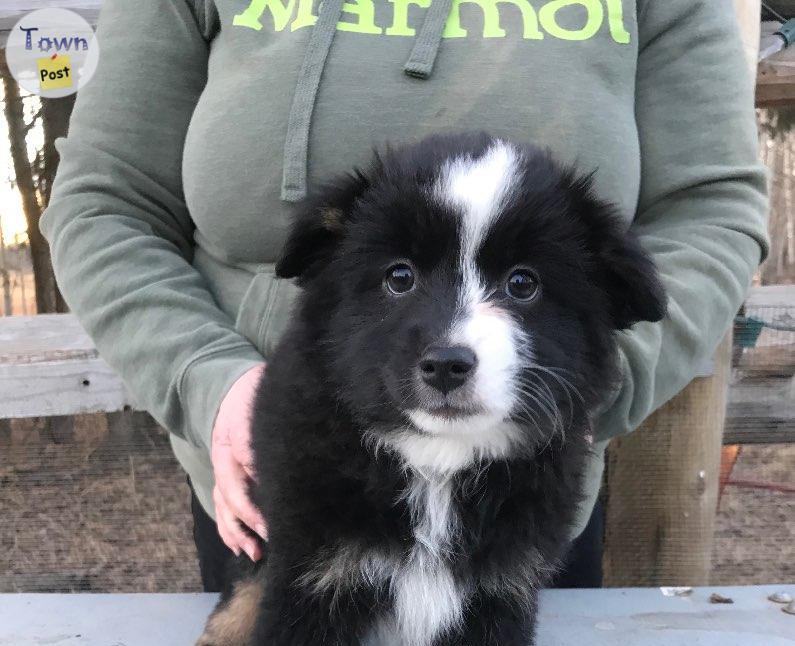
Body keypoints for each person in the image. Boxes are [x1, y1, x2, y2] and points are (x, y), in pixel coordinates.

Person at [41, 0, 768, 590]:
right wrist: (208, 380)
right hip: (280, 487)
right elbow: (105, 203)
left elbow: (708, 207)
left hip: (524, 487)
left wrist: (599, 384)